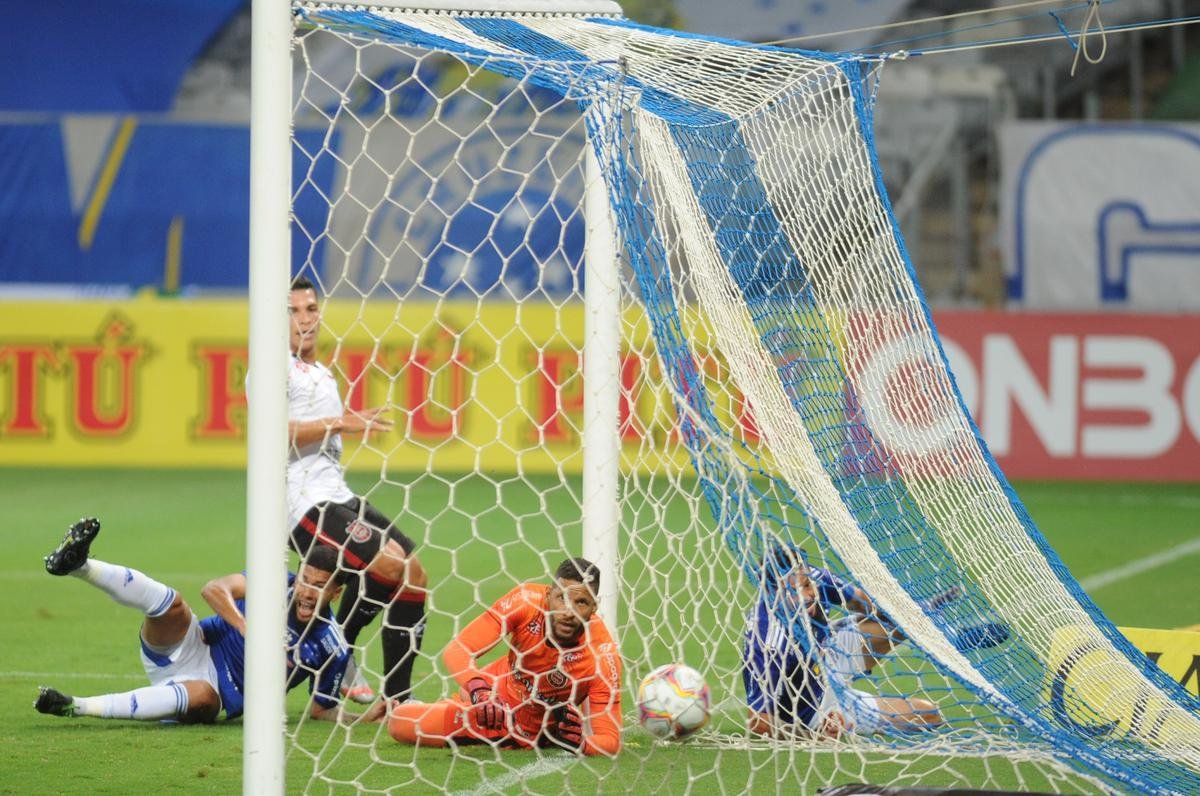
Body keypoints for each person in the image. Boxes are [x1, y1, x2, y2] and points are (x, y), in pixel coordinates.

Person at [33, 517, 353, 723]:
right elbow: (213, 589)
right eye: (305, 580)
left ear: (336, 593)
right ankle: (79, 566)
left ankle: (74, 706)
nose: (308, 592)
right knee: (172, 603)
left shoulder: (332, 645)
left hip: (215, 692)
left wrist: (366, 718)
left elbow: (321, 709)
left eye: (320, 585)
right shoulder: (275, 582)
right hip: (194, 645)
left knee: (202, 696)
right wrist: (247, 628)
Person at [285, 275, 429, 705]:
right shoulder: (273, 367)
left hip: (337, 494)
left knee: (413, 573)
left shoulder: (323, 374)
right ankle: (338, 655)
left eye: (311, 309)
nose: (305, 319)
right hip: (301, 502)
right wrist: (342, 421)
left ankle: (398, 701)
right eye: (293, 311)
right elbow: (273, 433)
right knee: (387, 566)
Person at [384, 557, 622, 756]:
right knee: (410, 716)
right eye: (562, 598)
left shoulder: (603, 656)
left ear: (594, 608)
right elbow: (458, 649)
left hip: (516, 726)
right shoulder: (526, 601)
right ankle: (462, 699)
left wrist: (581, 743)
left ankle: (450, 706)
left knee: (400, 722)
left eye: (580, 602)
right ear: (548, 595)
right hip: (493, 692)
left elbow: (610, 740)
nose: (569, 612)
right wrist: (480, 690)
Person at [742, 545, 944, 739]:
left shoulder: (817, 578)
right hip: (813, 709)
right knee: (929, 715)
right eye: (795, 590)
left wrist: (914, 615)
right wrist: (812, 734)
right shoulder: (767, 641)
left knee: (899, 624)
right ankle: (845, 718)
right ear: (772, 593)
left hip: (830, 653)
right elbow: (759, 722)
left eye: (806, 584)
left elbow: (860, 601)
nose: (808, 595)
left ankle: (956, 637)